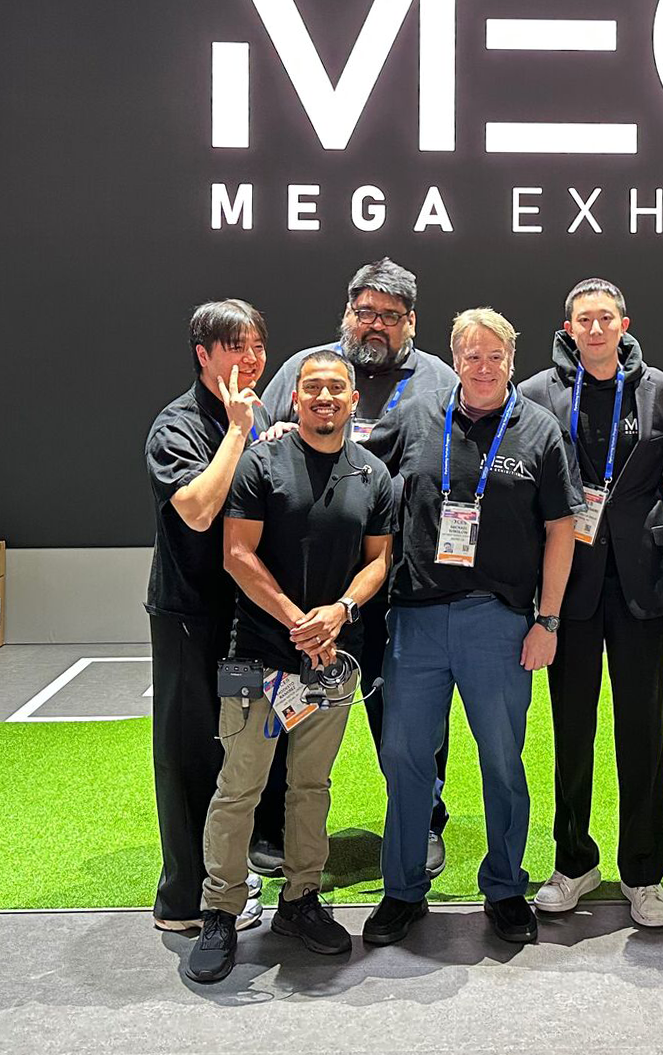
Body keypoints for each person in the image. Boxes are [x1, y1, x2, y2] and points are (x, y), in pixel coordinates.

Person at [361, 308, 579, 948]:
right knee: (405, 758)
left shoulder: (538, 429)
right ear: (454, 359)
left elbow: (560, 530)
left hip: (500, 622)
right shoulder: (417, 415)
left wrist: (549, 620)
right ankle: (402, 891)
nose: (484, 368)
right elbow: (356, 462)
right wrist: (286, 434)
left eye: (496, 357)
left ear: (512, 361)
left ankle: (506, 888)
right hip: (417, 618)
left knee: (502, 760)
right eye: (472, 356)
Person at [184, 350, 397, 983]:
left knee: (311, 789)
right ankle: (220, 911)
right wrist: (295, 621)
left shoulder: (373, 476)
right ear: (295, 399)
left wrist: (337, 613)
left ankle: (301, 900)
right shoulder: (259, 465)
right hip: (257, 660)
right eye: (313, 388)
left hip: (330, 662)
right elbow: (236, 555)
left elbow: (379, 560)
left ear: (353, 400)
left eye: (337, 388)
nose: (325, 397)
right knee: (239, 789)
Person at [257, 257, 459, 879]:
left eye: (389, 317)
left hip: (402, 578)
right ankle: (272, 825)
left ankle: (420, 820)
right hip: (309, 577)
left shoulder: (440, 380)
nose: (375, 326)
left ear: (411, 323)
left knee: (409, 709)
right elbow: (259, 450)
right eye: (364, 312)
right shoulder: (305, 369)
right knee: (285, 703)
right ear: (346, 314)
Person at [518, 279, 663, 928]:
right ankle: (574, 860)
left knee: (642, 729)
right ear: (567, 325)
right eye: (583, 318)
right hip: (571, 583)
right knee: (572, 730)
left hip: (642, 585)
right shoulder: (534, 393)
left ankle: (643, 871)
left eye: (605, 318)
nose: (594, 328)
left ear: (624, 323)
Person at [143, 299, 271, 940]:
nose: (250, 360)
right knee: (187, 751)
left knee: (244, 747)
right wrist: (240, 432)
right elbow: (196, 509)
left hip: (246, 614)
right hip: (189, 613)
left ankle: (234, 873)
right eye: (235, 348)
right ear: (204, 356)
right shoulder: (178, 426)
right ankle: (184, 898)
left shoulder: (257, 411)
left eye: (257, 347)